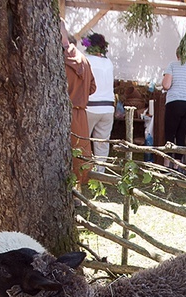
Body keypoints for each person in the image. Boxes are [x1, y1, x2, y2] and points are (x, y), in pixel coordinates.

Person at [61, 20, 96, 188]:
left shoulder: (57, 59)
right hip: (80, 113)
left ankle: (72, 193)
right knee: (79, 153)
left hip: (63, 114)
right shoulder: (83, 59)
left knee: (67, 154)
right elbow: (92, 88)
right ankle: (78, 191)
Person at [82, 32, 115, 173]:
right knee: (102, 143)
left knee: (82, 141)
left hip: (91, 105)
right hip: (108, 107)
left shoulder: (85, 60)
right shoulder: (108, 62)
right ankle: (100, 173)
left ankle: (81, 170)